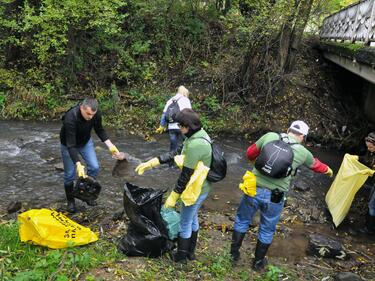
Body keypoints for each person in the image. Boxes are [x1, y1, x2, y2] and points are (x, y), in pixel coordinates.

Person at [230, 120, 333, 270]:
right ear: (303, 137)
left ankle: (233, 256)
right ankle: (257, 263)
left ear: (288, 129)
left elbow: (249, 153)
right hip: (275, 196)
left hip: (253, 188)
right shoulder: (303, 152)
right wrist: (328, 170)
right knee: (267, 229)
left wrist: (255, 163)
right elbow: (317, 166)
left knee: (242, 220)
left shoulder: (270, 136)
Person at [136, 108, 212, 263]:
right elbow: (175, 152)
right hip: (200, 187)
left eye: (180, 126)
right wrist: (153, 162)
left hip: (195, 189)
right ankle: (190, 253)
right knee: (192, 219)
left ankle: (181, 257)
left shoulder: (197, 145)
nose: (179, 128)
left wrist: (173, 196)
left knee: (185, 223)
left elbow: (186, 175)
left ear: (187, 126)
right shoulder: (196, 135)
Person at [60, 97, 122, 213]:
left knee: (94, 167)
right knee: (69, 174)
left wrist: (110, 146)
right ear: (81, 108)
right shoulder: (70, 118)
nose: (90, 117)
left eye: (93, 114)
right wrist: (78, 164)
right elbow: (71, 145)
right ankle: (71, 201)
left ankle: (87, 195)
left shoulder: (95, 113)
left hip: (85, 142)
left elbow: (99, 130)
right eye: (88, 114)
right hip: (68, 145)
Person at [155, 86, 191, 151]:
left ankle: (172, 159)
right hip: (183, 127)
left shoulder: (170, 100)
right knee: (187, 145)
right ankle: (185, 159)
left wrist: (162, 125)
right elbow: (189, 113)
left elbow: (164, 114)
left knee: (173, 147)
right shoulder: (185, 100)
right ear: (185, 92)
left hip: (171, 127)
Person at [357, 132, 375, 234]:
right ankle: (368, 224)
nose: (368, 149)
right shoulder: (372, 152)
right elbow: (367, 160)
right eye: (367, 147)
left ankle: (369, 229)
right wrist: (356, 158)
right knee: (370, 201)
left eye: (371, 147)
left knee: (372, 206)